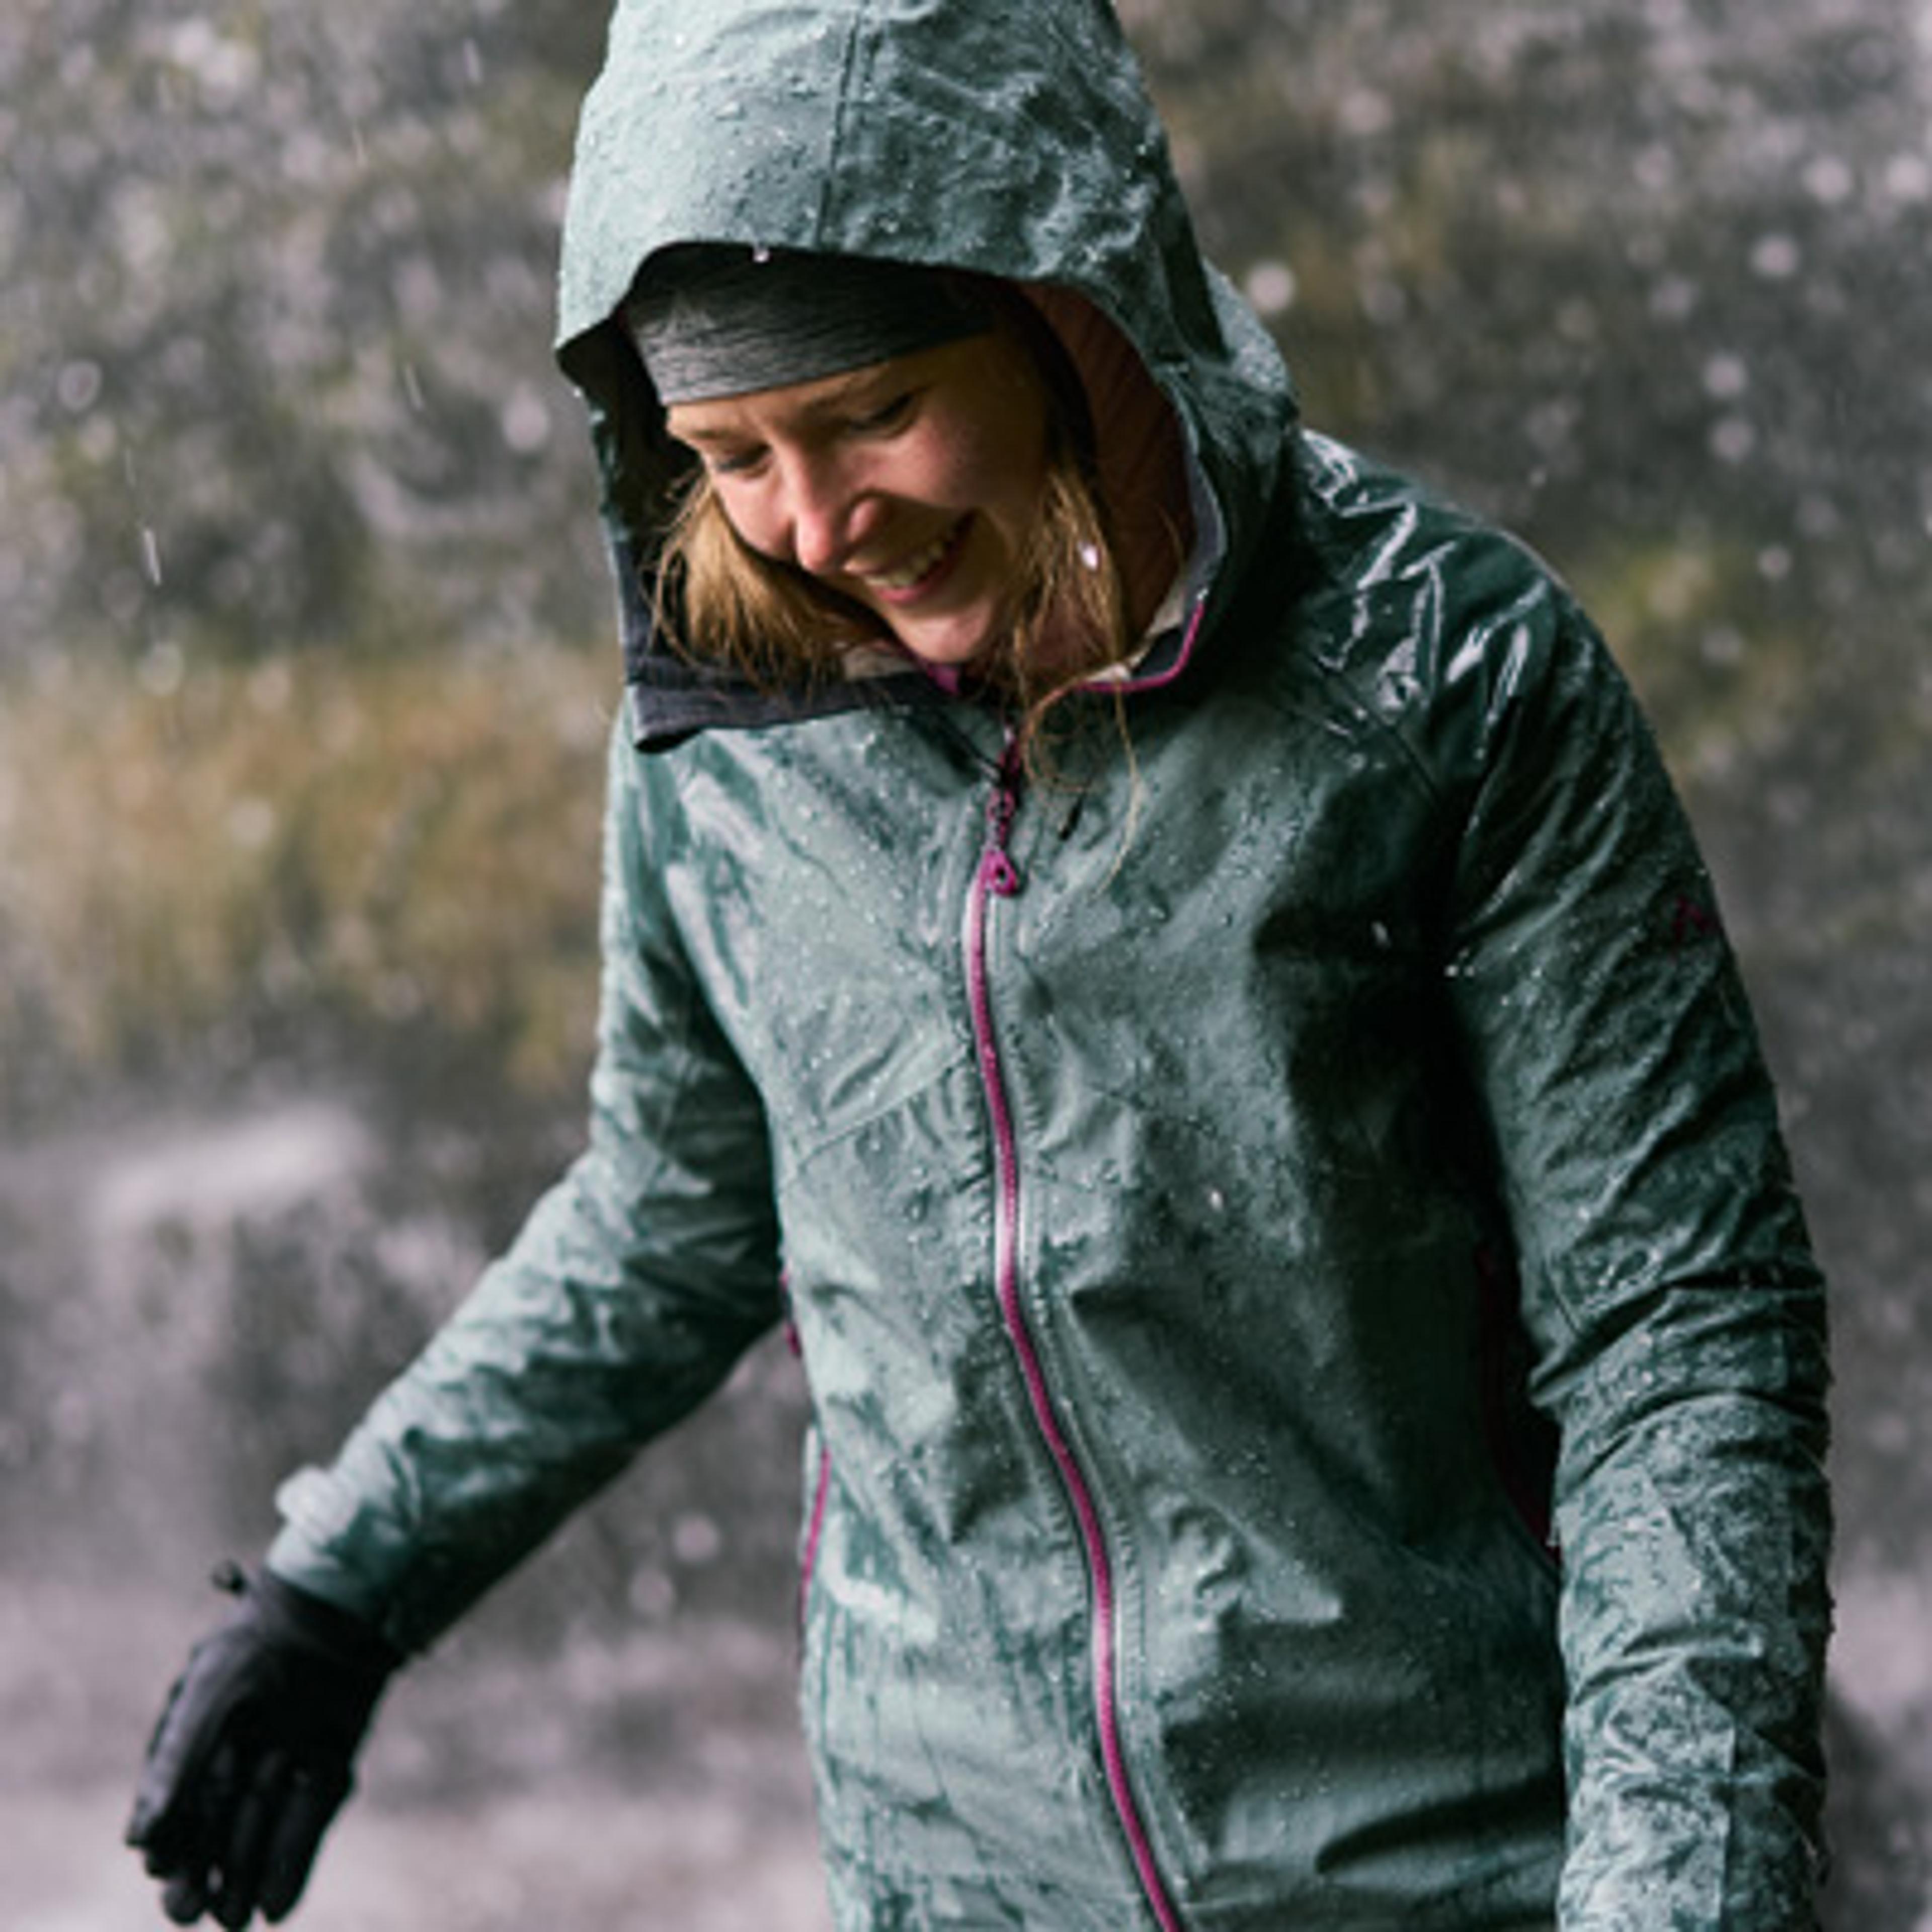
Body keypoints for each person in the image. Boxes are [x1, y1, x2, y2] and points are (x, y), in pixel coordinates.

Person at [126, 1, 1833, 1926]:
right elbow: (677, 1216)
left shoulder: (1455, 677)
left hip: (1468, 1871)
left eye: (871, 412)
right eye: (732, 452)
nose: (818, 523)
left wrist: (1679, 1895)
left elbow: (1677, 1339)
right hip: (956, 1881)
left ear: (1063, 306)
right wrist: (344, 1586)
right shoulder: (728, 745)